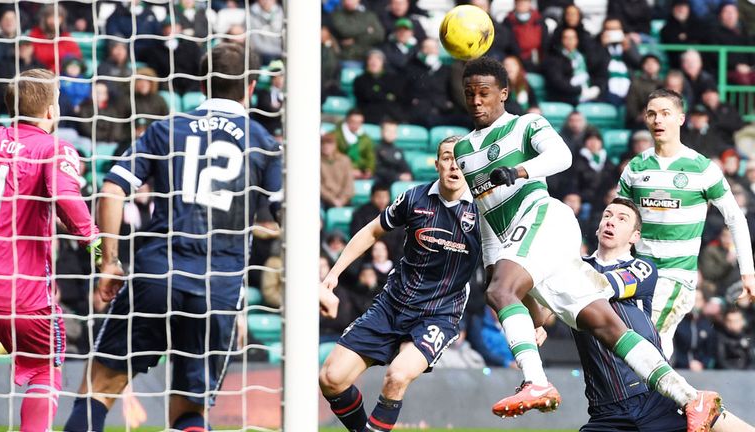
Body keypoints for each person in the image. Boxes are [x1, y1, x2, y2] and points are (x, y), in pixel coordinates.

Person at [453, 57, 720, 431]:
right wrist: (493, 266)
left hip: (546, 220)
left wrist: (519, 170)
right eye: (470, 94)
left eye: (484, 93)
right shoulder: (464, 150)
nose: (477, 101)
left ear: (504, 93)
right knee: (605, 326)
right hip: (520, 242)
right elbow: (486, 216)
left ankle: (535, 382)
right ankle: (691, 398)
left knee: (501, 292)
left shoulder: (525, 124)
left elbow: (562, 156)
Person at [63, 43, 282, 432]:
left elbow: (113, 189)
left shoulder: (167, 128)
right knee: (189, 412)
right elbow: (287, 218)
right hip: (218, 288)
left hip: (157, 273)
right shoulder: (263, 142)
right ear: (250, 87)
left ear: (201, 84)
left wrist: (109, 261)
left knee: (98, 391)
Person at [319, 136, 481, 432]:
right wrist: (333, 274)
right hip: (392, 304)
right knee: (331, 379)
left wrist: (532, 318)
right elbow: (370, 232)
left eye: (460, 158)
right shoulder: (414, 198)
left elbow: (509, 266)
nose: (453, 164)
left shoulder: (484, 214)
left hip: (438, 313)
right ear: (436, 164)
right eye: (446, 157)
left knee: (397, 375)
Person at [570, 198, 753, 432]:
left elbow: (603, 286)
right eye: (607, 215)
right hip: (606, 411)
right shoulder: (575, 269)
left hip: (654, 396)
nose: (611, 222)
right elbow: (541, 306)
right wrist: (538, 322)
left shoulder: (642, 268)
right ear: (597, 227)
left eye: (621, 218)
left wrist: (562, 273)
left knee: (720, 422)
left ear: (635, 236)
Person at [0, 68, 98, 431]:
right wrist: (96, 243)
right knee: (44, 368)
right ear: (51, 111)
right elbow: (67, 197)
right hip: (25, 295)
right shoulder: (54, 148)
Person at [618, 88, 755, 359]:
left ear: (681, 119)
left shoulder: (702, 168)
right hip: (639, 271)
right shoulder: (636, 167)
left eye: (665, 114)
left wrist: (747, 272)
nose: (658, 120)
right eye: (652, 114)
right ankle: (672, 399)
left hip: (677, 275)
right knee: (647, 342)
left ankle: (660, 399)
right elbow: (619, 217)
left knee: (649, 339)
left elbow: (735, 218)